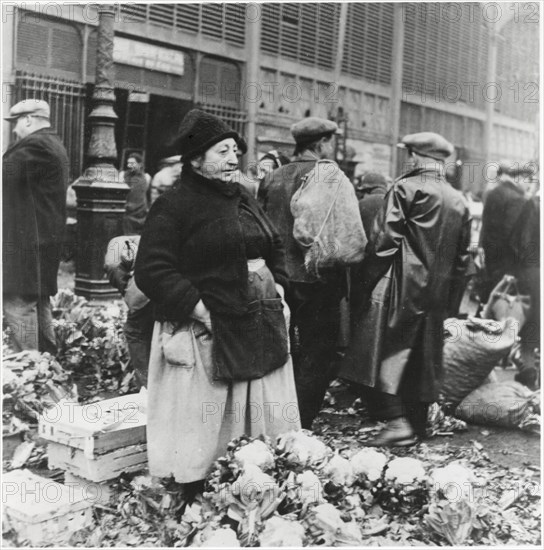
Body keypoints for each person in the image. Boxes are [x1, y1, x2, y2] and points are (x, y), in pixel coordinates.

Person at [134, 109, 300, 485]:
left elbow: (274, 243)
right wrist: (200, 309)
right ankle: (203, 479)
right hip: (206, 327)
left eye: (234, 151)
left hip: (259, 317)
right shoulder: (174, 205)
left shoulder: (243, 196)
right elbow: (152, 270)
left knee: (260, 401)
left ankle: (258, 472)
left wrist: (281, 291)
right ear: (196, 160)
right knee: (209, 413)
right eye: (221, 152)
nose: (232, 159)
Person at [345, 132, 471, 446]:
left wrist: (365, 283)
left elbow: (384, 242)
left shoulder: (405, 188)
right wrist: (451, 299)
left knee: (382, 350)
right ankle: (417, 425)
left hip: (399, 284)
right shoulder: (458, 200)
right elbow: (462, 258)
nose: (409, 160)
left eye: (411, 154)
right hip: (436, 292)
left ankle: (396, 421)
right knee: (423, 356)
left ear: (418, 157)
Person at [258, 117, 348, 430]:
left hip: (279, 277)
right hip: (317, 279)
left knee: (280, 343)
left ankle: (276, 413)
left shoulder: (274, 177)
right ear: (322, 143)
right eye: (331, 142)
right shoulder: (329, 177)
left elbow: (261, 226)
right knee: (317, 347)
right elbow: (342, 231)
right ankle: (302, 420)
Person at [2, 99, 69, 354]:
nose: (15, 130)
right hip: (40, 240)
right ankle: (49, 368)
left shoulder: (36, 146)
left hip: (25, 243)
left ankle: (31, 370)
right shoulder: (52, 144)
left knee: (18, 304)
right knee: (38, 302)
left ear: (28, 119)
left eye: (16, 123)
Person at [480, 162, 539, 387]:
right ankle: (524, 363)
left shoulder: (494, 193)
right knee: (520, 317)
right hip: (514, 268)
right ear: (521, 178)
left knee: (500, 313)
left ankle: (497, 362)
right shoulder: (518, 200)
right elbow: (517, 239)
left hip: (497, 265)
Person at [104, 236, 153, 389]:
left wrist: (128, 292)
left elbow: (114, 267)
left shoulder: (115, 257)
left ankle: (147, 389)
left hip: (154, 276)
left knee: (135, 331)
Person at [122, 153, 150, 235]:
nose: (129, 166)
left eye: (132, 163)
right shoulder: (123, 176)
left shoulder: (147, 177)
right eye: (128, 163)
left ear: (140, 164)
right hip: (128, 213)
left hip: (141, 213)